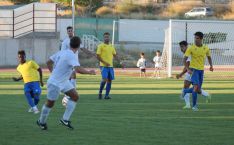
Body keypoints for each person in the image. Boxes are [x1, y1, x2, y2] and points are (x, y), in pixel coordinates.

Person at [37, 36, 96, 130]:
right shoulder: (71, 55)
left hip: (63, 82)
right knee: (50, 103)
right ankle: (41, 121)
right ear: (79, 46)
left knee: (75, 96)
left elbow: (48, 62)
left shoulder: (62, 52)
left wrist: (54, 73)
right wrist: (90, 72)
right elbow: (78, 69)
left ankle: (65, 119)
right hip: (55, 83)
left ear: (70, 44)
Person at [61, 26, 96, 106]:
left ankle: (68, 95)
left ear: (73, 31)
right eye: (69, 31)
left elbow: (83, 49)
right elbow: (62, 53)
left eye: (71, 31)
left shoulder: (76, 40)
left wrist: (91, 53)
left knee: (72, 77)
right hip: (68, 62)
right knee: (72, 76)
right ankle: (68, 96)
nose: (70, 32)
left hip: (75, 62)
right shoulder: (65, 42)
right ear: (67, 32)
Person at [182, 32, 213, 111]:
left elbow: (209, 57)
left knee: (198, 89)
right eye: (195, 38)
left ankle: (185, 90)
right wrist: (188, 69)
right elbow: (184, 59)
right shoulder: (191, 48)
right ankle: (194, 106)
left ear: (201, 39)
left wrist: (211, 66)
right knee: (195, 88)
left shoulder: (206, 48)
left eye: (197, 38)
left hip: (201, 71)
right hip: (194, 70)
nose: (196, 40)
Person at [177, 40, 211, 109]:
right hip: (191, 72)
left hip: (193, 72)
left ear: (186, 46)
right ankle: (189, 104)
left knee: (192, 89)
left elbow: (188, 65)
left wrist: (181, 74)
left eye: (182, 47)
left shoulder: (190, 52)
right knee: (192, 88)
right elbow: (186, 65)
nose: (181, 49)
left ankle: (205, 95)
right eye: (180, 47)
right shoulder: (188, 52)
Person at [97, 32, 118, 100]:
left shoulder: (111, 46)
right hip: (103, 66)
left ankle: (106, 95)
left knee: (109, 81)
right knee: (104, 79)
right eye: (105, 37)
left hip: (110, 66)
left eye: (108, 37)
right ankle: (100, 93)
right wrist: (104, 62)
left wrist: (120, 62)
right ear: (103, 38)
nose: (107, 38)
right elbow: (98, 56)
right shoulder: (101, 46)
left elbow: (115, 55)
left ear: (109, 38)